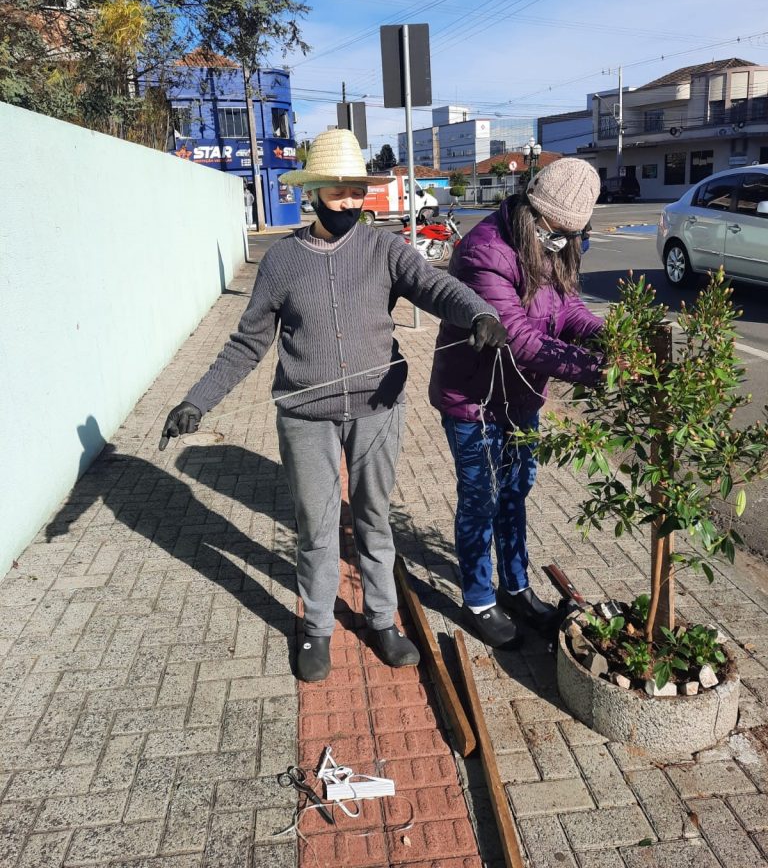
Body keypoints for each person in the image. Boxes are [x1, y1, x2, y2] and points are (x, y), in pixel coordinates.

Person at [160, 129, 507, 682]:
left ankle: (382, 621)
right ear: (315, 190)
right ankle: (317, 628)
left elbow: (435, 287)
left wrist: (480, 313)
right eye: (339, 190)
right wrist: (196, 401)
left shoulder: (384, 248)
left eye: (357, 190)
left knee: (373, 520)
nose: (350, 201)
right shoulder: (282, 261)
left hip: (377, 411)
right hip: (305, 420)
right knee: (317, 527)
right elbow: (248, 342)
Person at [429, 158, 604, 649]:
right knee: (481, 496)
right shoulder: (485, 251)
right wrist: (597, 370)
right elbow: (521, 340)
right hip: (475, 399)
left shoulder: (554, 246)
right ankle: (479, 598)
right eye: (560, 231)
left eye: (574, 234)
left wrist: (606, 337)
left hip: (521, 397)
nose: (566, 242)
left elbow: (566, 308)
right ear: (536, 211)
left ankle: (516, 586)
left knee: (516, 489)